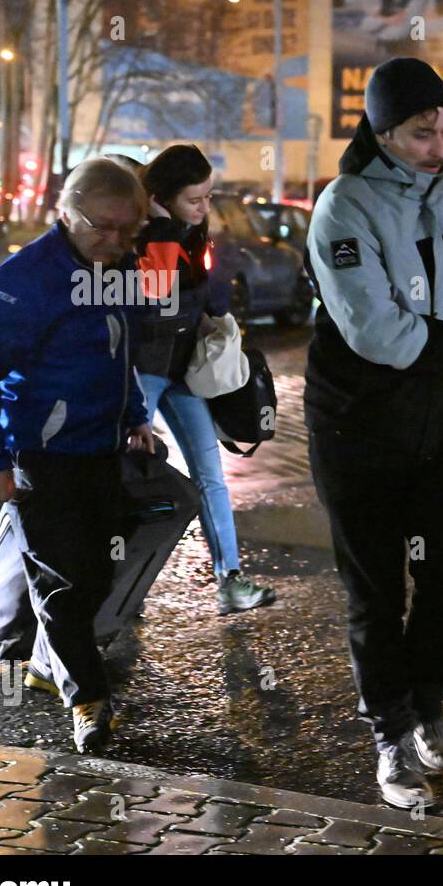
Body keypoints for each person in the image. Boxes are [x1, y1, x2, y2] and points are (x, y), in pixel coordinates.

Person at [304, 57, 443, 810]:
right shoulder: (343, 207)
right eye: (423, 134)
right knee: (374, 590)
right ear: (383, 130)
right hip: (357, 425)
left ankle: (426, 708)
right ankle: (390, 740)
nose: (441, 146)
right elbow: (377, 332)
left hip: (438, 424)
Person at [0, 158, 157, 755]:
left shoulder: (116, 268)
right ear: (65, 212)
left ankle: (42, 653)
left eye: (129, 230)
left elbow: (117, 355)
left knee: (95, 572)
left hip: (100, 449)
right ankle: (87, 700)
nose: (117, 242)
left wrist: (134, 413)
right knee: (68, 580)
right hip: (42, 453)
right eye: (104, 227)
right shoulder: (28, 280)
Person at [134, 144, 276, 615]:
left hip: (182, 372)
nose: (204, 208)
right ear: (162, 198)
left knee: (211, 475)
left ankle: (230, 578)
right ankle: (116, 585)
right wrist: (163, 227)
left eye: (208, 197)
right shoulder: (146, 236)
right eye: (195, 200)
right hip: (144, 372)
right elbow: (156, 293)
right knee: (119, 475)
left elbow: (212, 300)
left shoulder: (193, 234)